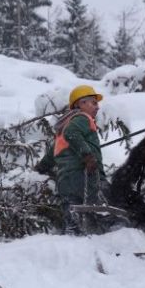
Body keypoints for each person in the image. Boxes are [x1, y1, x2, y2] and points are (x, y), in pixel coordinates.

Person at [35, 84, 109, 234]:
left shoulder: (63, 128)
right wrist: (87, 156)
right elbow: (73, 133)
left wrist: (39, 170)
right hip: (85, 176)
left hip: (65, 180)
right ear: (81, 104)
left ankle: (73, 235)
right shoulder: (82, 118)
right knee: (99, 208)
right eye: (94, 103)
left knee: (72, 212)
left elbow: (51, 155)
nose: (98, 107)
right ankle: (105, 234)